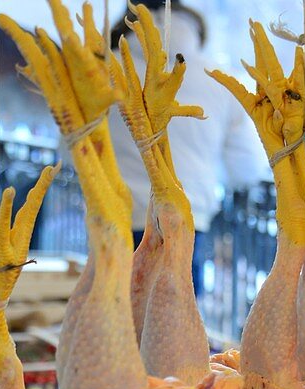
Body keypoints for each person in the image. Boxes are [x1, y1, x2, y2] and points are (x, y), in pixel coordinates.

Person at [108, 0, 270, 293]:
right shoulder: (219, 80)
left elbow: (73, 150)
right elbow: (245, 168)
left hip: (114, 216)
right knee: (174, 323)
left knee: (113, 317)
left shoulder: (104, 69)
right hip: (187, 218)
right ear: (196, 29)